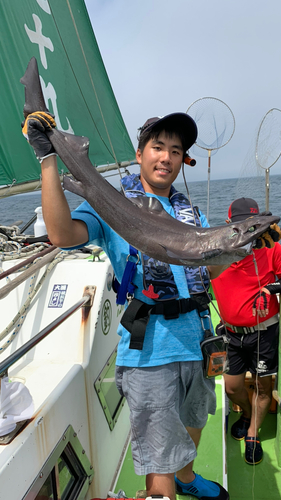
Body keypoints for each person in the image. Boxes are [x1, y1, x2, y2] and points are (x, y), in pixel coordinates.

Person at [23, 111, 229, 500]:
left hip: (198, 342)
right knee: (159, 463)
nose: (166, 157)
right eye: (157, 147)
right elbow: (61, 233)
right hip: (150, 352)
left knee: (192, 423)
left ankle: (187, 479)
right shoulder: (113, 206)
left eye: (175, 150)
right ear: (139, 154)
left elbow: (209, 274)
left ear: (183, 160)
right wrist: (47, 159)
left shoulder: (194, 215)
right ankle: (170, 486)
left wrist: (243, 250)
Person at [209, 198, 281, 465]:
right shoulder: (216, 253)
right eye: (240, 227)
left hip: (264, 331)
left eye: (251, 227)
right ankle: (247, 413)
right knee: (232, 387)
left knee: (262, 386)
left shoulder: (272, 249)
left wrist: (269, 289)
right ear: (228, 226)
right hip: (231, 334)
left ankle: (252, 433)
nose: (246, 233)